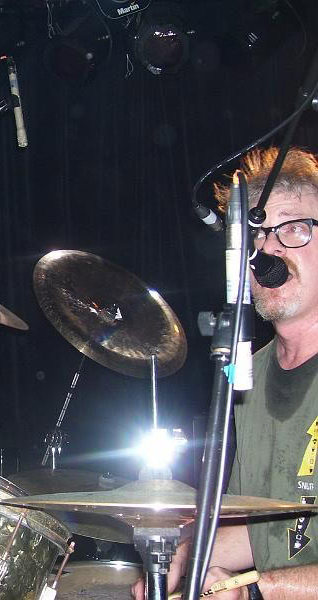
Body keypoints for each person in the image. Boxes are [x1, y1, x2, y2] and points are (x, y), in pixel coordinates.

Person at [131, 146, 318, 600]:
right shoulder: (250, 373)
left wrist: (255, 590)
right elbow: (264, 530)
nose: (268, 249)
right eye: (256, 235)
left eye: (293, 228)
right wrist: (180, 561)